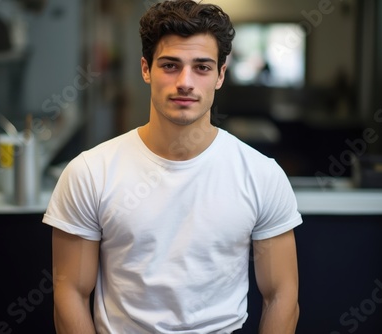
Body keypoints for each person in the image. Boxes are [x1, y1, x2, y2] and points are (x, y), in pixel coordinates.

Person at [43, 0, 302, 333]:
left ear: (221, 75)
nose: (185, 81)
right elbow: (70, 295)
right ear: (146, 69)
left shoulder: (261, 175)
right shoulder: (90, 172)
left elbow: (282, 295)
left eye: (202, 67)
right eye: (170, 65)